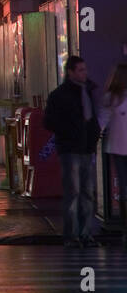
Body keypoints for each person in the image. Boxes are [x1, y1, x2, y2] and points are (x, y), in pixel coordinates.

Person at [45, 55, 101, 246]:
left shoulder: (88, 91)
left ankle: (84, 233)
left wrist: (93, 135)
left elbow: (92, 119)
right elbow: (49, 121)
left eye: (85, 69)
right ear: (71, 72)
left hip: (85, 148)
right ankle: (73, 234)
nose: (84, 73)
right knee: (74, 192)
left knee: (86, 192)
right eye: (80, 70)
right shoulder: (60, 95)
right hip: (71, 149)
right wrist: (70, 130)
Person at [98, 63, 127, 244]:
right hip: (118, 148)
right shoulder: (112, 99)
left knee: (124, 189)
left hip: (116, 147)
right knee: (124, 188)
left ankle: (125, 228)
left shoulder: (110, 99)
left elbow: (102, 121)